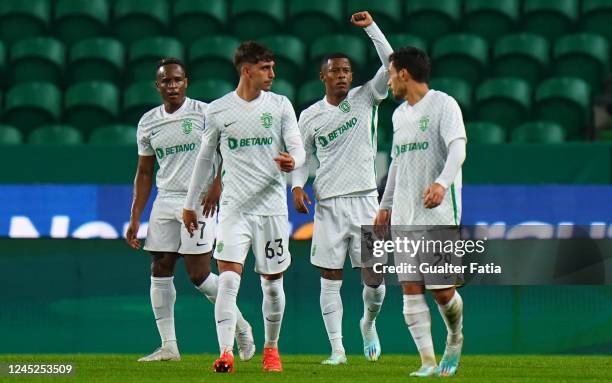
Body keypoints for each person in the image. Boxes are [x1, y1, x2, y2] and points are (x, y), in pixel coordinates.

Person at [182, 42, 305, 373]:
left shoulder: (280, 106)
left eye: (273, 67)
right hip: (234, 209)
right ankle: (225, 352)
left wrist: (295, 161)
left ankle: (271, 350)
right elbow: (206, 158)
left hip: (272, 211)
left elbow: (298, 148)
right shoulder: (219, 110)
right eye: (266, 68)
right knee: (227, 281)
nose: (272, 74)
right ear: (246, 70)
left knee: (272, 285)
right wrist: (190, 203)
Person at [126, 58, 255, 362]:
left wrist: (216, 187)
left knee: (198, 274)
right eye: (166, 81)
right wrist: (135, 215)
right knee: (160, 267)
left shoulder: (205, 113)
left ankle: (241, 326)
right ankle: (169, 346)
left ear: (186, 82)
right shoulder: (148, 122)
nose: (172, 85)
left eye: (177, 80)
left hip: (198, 200)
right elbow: (144, 172)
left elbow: (229, 152)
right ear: (157, 86)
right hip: (165, 199)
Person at [291, 11, 392, 365]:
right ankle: (337, 350)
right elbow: (302, 158)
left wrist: (372, 29)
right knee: (329, 277)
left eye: (347, 71)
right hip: (329, 204)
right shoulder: (310, 116)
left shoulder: (367, 97)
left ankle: (368, 322)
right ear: (323, 76)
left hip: (366, 200)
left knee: (375, 279)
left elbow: (391, 64)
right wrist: (297, 186)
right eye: (335, 71)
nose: (342, 76)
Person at [375, 47, 467, 377]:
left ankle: (455, 338)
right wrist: (385, 207)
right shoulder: (399, 115)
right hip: (404, 213)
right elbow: (397, 163)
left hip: (438, 213)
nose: (388, 81)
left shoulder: (444, 104)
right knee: (410, 287)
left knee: (442, 291)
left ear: (403, 74)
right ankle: (427, 361)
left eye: (390, 73)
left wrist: (442, 184)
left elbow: (458, 148)